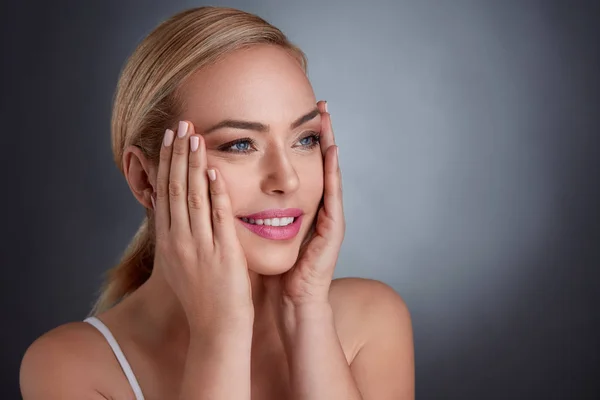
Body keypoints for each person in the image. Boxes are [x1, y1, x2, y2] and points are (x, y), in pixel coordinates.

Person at [19, 6, 414, 399]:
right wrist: (220, 333)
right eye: (240, 144)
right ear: (144, 179)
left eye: (305, 139)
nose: (287, 179)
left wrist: (305, 312)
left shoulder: (372, 320)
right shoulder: (69, 366)